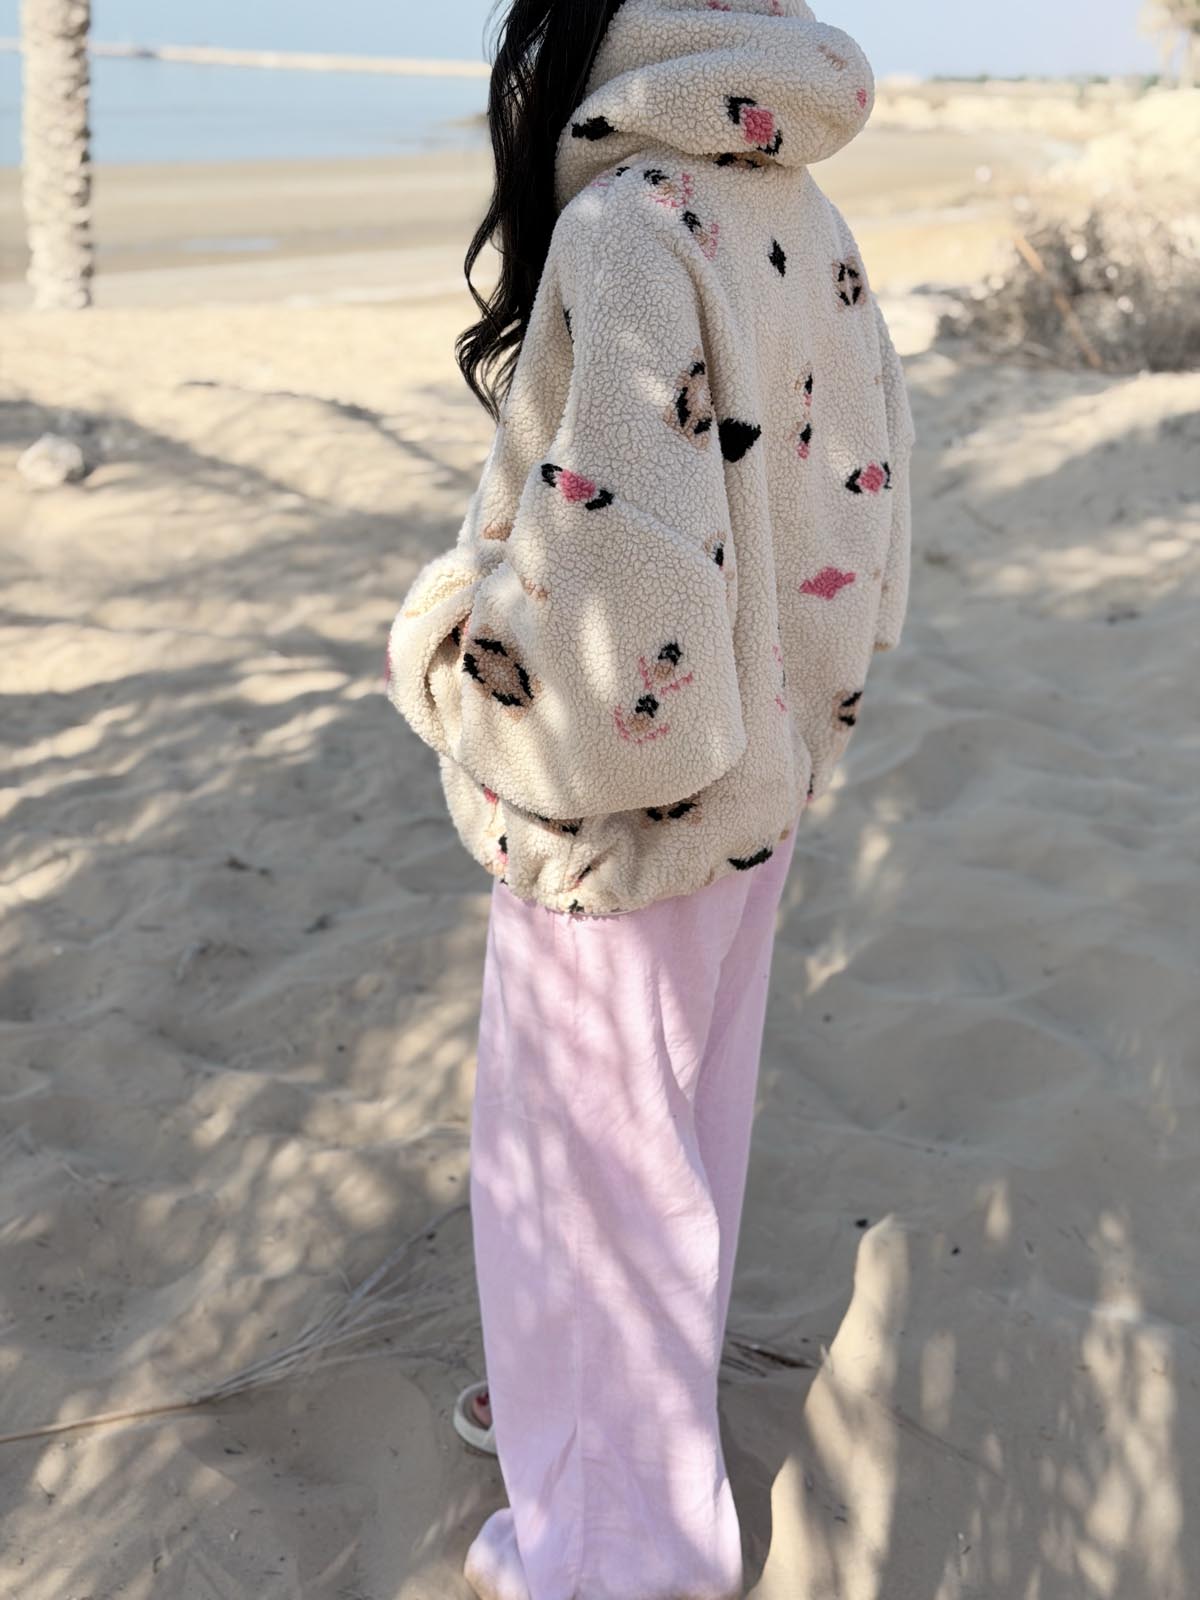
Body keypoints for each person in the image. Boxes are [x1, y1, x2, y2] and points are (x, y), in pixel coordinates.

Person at [384, 0, 914, 1592]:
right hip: (763, 774)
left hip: (631, 812)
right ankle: (581, 1402)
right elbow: (874, 506)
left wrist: (440, 650)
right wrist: (805, 705)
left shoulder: (632, 224)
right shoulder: (793, 195)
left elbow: (610, 649)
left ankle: (616, 1559)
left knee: (593, 1187)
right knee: (675, 1141)